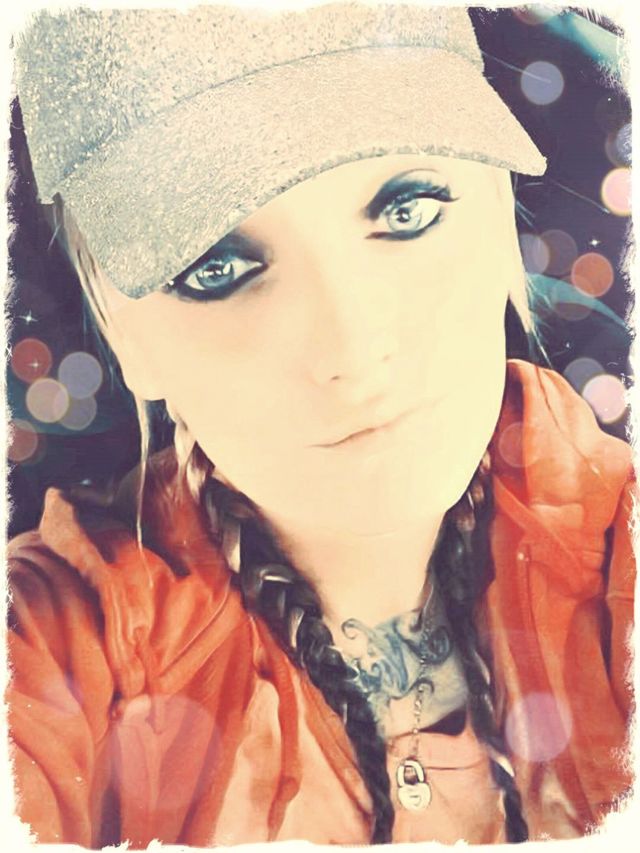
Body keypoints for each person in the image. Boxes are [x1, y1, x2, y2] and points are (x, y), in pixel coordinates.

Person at [7, 2, 635, 848]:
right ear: (127, 341)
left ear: (498, 220)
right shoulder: (59, 647)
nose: (352, 348)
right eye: (217, 268)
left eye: (408, 210)